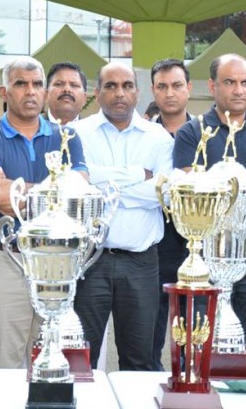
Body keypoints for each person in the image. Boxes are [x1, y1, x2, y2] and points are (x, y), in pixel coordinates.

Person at [173, 54, 246, 373]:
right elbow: (190, 185)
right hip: (206, 257)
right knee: (199, 349)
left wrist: (222, 177)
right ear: (212, 85)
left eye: (245, 82)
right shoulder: (192, 131)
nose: (239, 90)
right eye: (229, 82)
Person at [0, 57, 86, 369]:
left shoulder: (67, 137)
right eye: (21, 84)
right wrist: (53, 189)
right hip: (6, 259)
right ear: (5, 91)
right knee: (4, 364)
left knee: (51, 364)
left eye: (37, 84)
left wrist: (18, 189)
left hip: (56, 263)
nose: (31, 91)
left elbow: (78, 194)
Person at [72, 63, 173, 370]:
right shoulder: (77, 134)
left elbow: (165, 192)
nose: (120, 93)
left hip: (141, 263)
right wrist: (136, 176)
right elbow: (78, 188)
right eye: (111, 86)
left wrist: (102, 184)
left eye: (127, 86)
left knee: (139, 359)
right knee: (80, 358)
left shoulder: (158, 138)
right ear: (97, 93)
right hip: (90, 261)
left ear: (138, 92)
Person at [149, 58, 193, 369]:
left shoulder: (207, 136)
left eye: (177, 86)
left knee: (191, 337)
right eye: (162, 87)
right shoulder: (143, 137)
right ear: (153, 91)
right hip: (152, 246)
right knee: (149, 337)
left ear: (189, 89)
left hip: (193, 248)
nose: (170, 93)